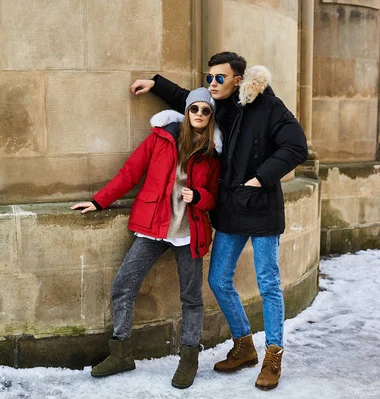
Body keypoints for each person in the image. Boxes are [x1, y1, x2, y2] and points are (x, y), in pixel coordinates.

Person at [130, 52, 308, 390]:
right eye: (209, 77)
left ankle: (273, 354)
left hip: (262, 209)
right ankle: (244, 345)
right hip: (230, 210)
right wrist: (156, 84)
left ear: (238, 80)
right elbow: (188, 99)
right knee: (219, 279)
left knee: (268, 282)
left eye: (219, 78)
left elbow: (296, 146)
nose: (211, 84)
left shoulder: (271, 109)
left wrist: (258, 179)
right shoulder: (220, 107)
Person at [72, 88, 222, 389]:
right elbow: (130, 173)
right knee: (123, 286)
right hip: (154, 227)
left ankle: (189, 359)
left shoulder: (211, 155)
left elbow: (216, 197)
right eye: (196, 109)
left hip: (188, 232)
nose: (200, 116)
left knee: (191, 298)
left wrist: (200, 197)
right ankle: (121, 353)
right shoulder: (161, 138)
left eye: (206, 111)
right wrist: (100, 201)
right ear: (187, 111)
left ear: (211, 117)